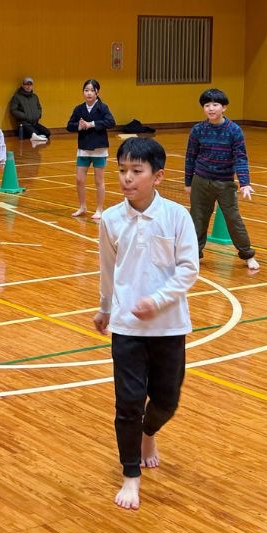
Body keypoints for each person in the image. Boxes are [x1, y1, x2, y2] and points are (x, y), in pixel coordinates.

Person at [94, 137, 198, 511]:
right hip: (126, 327)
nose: (127, 178)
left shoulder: (177, 216)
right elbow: (108, 268)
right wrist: (105, 308)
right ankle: (130, 476)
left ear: (157, 176)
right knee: (128, 403)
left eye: (136, 171)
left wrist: (157, 300)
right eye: (122, 170)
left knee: (167, 400)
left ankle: (148, 432)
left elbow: (189, 269)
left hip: (169, 326)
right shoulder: (111, 219)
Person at [183, 88, 260, 271]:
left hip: (225, 183)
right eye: (207, 105)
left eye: (215, 104)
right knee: (197, 218)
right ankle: (194, 254)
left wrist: (244, 182)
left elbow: (241, 157)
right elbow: (190, 156)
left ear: (224, 107)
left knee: (233, 219)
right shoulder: (198, 130)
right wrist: (188, 182)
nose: (211, 108)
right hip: (200, 180)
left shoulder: (234, 130)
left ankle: (247, 254)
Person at [66, 79, 115, 220]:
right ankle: (82, 206)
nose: (89, 93)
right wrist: (79, 126)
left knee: (99, 181)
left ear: (97, 93)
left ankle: (99, 209)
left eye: (92, 90)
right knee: (79, 179)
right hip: (83, 148)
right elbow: (69, 126)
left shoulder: (102, 107)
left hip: (99, 149)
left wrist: (92, 124)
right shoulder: (79, 109)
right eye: (86, 90)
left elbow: (111, 122)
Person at [8, 76, 47, 140]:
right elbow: (13, 110)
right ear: (23, 85)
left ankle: (37, 136)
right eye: (26, 84)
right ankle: (35, 136)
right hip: (24, 124)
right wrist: (25, 116)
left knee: (47, 133)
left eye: (30, 85)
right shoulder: (17, 97)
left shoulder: (35, 97)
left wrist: (38, 115)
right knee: (34, 133)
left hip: (35, 123)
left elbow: (39, 107)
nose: (28, 87)